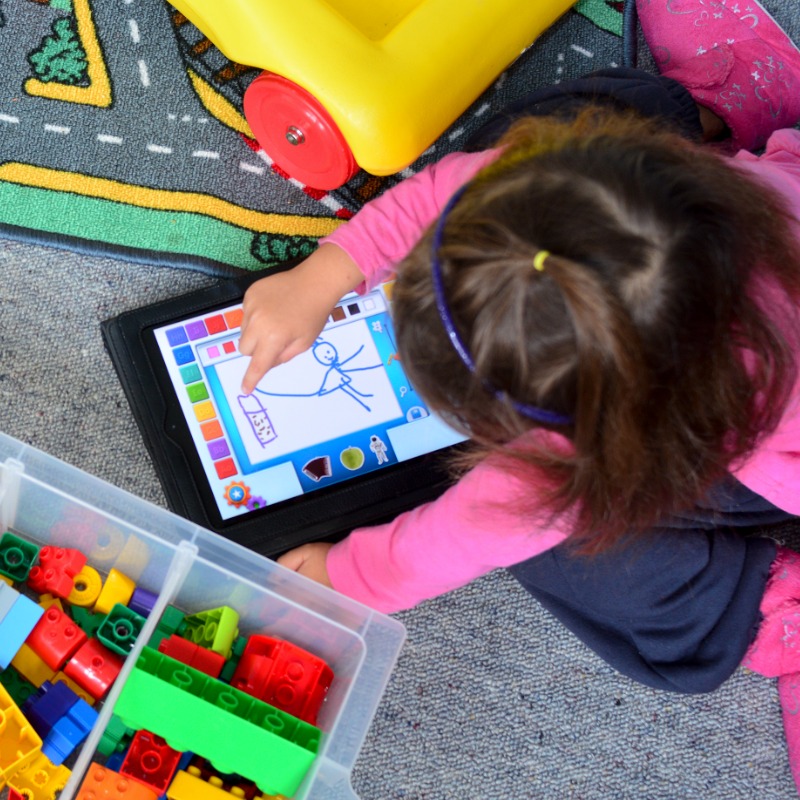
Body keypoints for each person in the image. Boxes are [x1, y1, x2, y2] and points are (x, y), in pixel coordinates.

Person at [238, 0, 800, 788]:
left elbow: (461, 537)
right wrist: (329, 269)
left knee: (574, 550)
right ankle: (717, 114)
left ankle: (778, 616)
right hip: (744, 246)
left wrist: (340, 578)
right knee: (575, 126)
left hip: (768, 460)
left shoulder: (577, 456)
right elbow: (484, 186)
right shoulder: (624, 189)